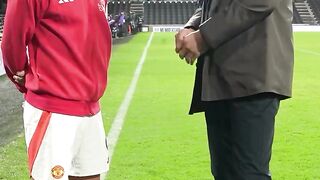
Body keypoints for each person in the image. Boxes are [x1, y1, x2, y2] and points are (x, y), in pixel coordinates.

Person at [175, 0, 294, 179]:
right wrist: (192, 25)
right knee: (224, 172)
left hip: (253, 75)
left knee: (248, 174)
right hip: (219, 77)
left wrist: (203, 37)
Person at [1, 0, 112, 179]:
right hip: (52, 110)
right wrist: (26, 79)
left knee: (90, 175)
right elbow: (12, 43)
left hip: (91, 108)